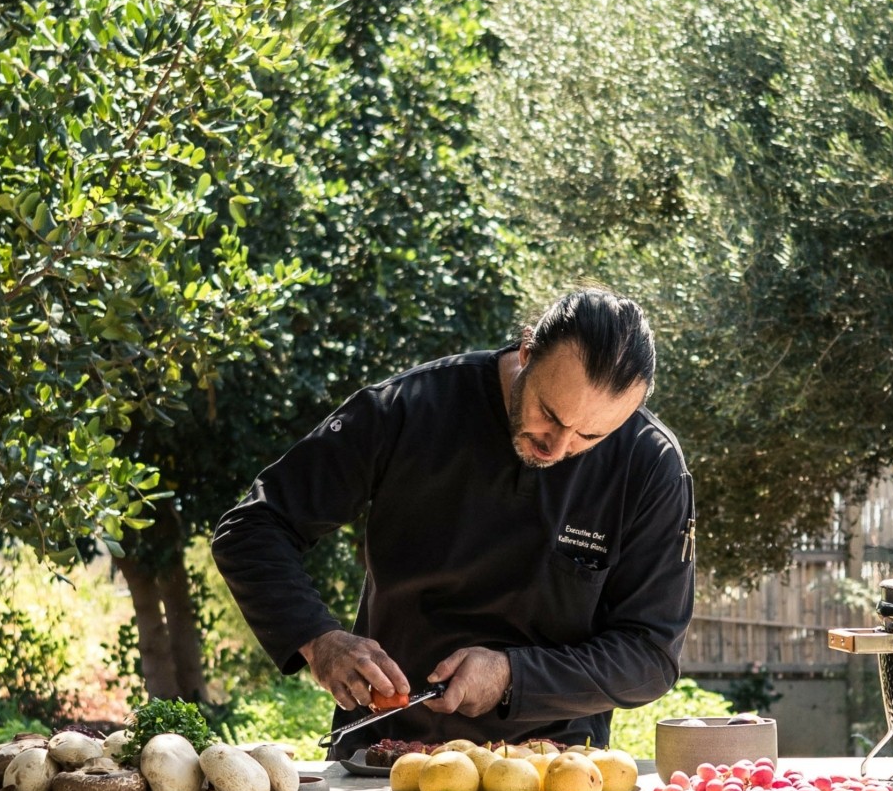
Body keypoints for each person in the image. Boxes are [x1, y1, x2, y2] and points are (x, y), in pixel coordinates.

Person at [210, 287, 695, 754]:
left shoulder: (650, 464)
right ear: (528, 350)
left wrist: (513, 675)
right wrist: (319, 640)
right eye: (550, 413)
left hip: (554, 773)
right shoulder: (409, 409)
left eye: (590, 435)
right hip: (387, 756)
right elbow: (253, 528)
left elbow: (649, 656)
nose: (558, 447)